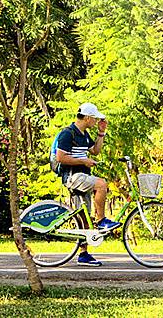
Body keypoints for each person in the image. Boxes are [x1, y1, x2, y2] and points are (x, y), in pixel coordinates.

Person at [56, 102, 121, 266]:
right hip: (73, 176)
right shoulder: (67, 133)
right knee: (101, 184)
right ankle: (101, 220)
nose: (95, 121)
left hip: (83, 175)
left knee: (83, 218)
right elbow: (60, 157)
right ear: (86, 118)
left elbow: (95, 151)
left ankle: (83, 255)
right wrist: (83, 161)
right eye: (94, 119)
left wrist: (101, 132)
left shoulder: (84, 134)